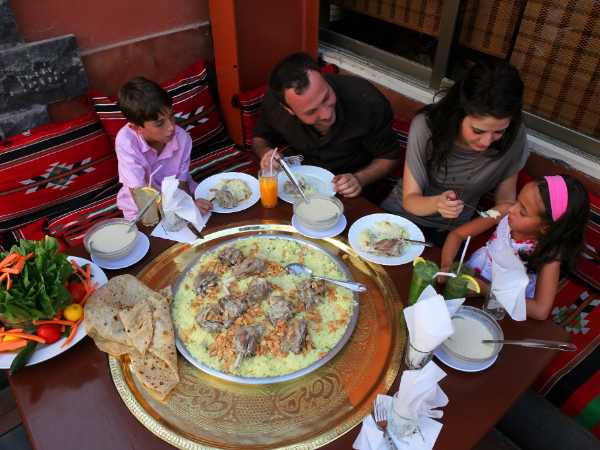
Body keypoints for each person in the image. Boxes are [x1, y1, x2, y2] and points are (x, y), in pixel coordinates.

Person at [381, 60, 528, 248]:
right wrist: (437, 204)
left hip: (452, 234)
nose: (487, 141)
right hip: (401, 219)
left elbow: (505, 204)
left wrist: (484, 221)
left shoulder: (515, 136)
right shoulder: (426, 127)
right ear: (459, 112)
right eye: (477, 130)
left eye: (499, 131)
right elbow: (410, 201)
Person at [252, 52, 402, 198]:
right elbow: (260, 137)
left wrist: (360, 179)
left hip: (351, 185)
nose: (327, 114)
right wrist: (266, 153)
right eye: (311, 111)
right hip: (299, 181)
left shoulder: (366, 102)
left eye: (326, 97)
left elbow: (390, 156)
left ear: (323, 78)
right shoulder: (273, 102)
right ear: (288, 109)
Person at [440, 175, 589, 320]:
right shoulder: (502, 210)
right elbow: (458, 234)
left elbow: (540, 310)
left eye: (523, 212)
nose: (513, 209)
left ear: (546, 227)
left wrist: (486, 290)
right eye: (518, 199)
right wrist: (446, 263)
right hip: (473, 276)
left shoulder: (551, 252)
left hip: (503, 305)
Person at [114, 77, 212, 220]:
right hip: (142, 207)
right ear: (137, 128)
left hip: (178, 197)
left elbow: (182, 182)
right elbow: (141, 197)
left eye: (171, 115)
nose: (171, 127)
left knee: (206, 216)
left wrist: (189, 204)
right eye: (159, 123)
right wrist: (181, 209)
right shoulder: (127, 143)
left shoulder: (182, 138)